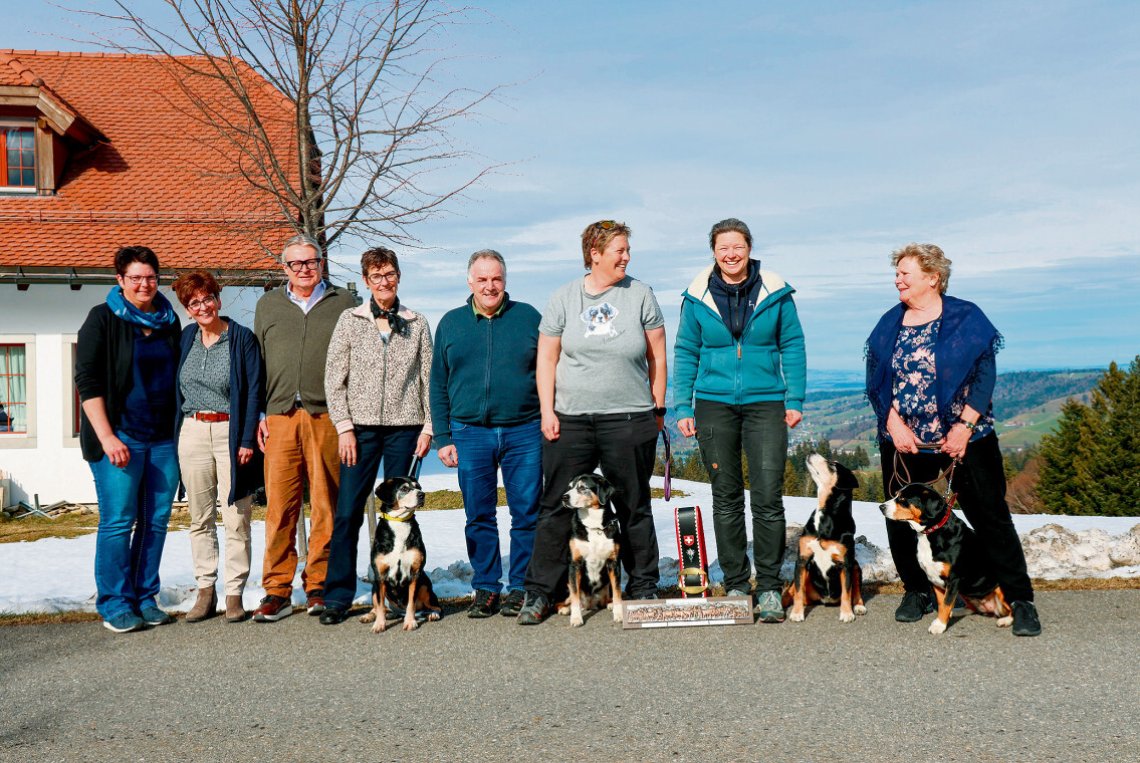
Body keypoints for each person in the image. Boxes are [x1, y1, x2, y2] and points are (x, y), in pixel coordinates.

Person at [865, 242, 1041, 636]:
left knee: (990, 517)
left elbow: (984, 376)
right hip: (905, 440)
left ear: (933, 277)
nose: (897, 280)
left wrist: (963, 426)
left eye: (905, 273)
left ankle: (1019, 598)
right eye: (897, 273)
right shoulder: (889, 322)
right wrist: (892, 423)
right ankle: (918, 590)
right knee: (900, 516)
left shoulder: (966, 318)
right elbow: (874, 380)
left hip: (966, 439)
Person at [516, 220, 667, 625]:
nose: (626, 257)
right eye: (619, 250)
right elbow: (546, 358)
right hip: (572, 421)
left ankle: (643, 586)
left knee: (634, 504)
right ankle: (540, 593)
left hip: (629, 418)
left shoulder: (640, 295)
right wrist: (547, 411)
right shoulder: (564, 298)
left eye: (627, 250)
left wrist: (657, 407)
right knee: (554, 507)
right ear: (594, 254)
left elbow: (657, 354)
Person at [672, 218, 806, 623]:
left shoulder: (776, 291)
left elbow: (793, 344)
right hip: (713, 404)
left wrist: (795, 398)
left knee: (767, 496)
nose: (731, 254)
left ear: (749, 248)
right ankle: (734, 583)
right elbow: (684, 351)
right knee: (726, 495)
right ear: (713, 251)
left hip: (766, 403)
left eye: (738, 246)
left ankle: (767, 586)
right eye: (723, 247)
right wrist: (683, 406)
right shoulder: (697, 296)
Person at [318, 247, 434, 625]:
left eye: (390, 275)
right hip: (361, 431)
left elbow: (428, 380)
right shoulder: (350, 321)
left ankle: (404, 592)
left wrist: (429, 426)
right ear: (366, 281)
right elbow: (334, 380)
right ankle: (337, 596)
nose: (384, 282)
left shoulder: (416, 323)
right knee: (348, 511)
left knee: (402, 514)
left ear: (398, 277)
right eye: (376, 276)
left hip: (405, 429)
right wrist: (344, 427)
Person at [429, 250, 542, 619]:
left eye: (496, 279)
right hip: (469, 431)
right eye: (482, 279)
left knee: (526, 512)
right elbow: (437, 384)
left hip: (524, 429)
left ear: (505, 281)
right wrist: (443, 437)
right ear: (470, 282)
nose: (490, 286)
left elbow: (548, 373)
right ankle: (487, 587)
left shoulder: (528, 318)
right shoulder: (451, 323)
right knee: (479, 514)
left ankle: (521, 586)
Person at [75, 246, 181, 633]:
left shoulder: (169, 321)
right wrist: (107, 436)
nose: (144, 284)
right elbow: (86, 382)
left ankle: (144, 596)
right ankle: (115, 602)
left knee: (156, 522)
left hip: (162, 440)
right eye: (135, 277)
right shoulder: (101, 319)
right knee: (119, 522)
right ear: (120, 280)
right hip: (119, 439)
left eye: (150, 276)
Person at [252, 234, 358, 622]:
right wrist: (260, 415)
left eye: (311, 262)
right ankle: (277, 590)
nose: (304, 269)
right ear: (285, 268)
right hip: (279, 416)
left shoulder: (344, 304)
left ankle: (319, 585)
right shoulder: (268, 305)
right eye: (296, 264)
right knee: (280, 508)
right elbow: (259, 362)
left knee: (326, 505)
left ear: (321, 263)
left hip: (327, 415)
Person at [172, 270, 264, 623]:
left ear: (218, 299)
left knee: (237, 516)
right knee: (200, 517)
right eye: (195, 302)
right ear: (188, 309)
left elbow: (254, 390)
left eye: (207, 298)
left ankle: (235, 593)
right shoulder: (185, 340)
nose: (203, 305)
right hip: (193, 430)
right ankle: (206, 591)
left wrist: (245, 440)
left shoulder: (241, 339)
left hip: (230, 431)